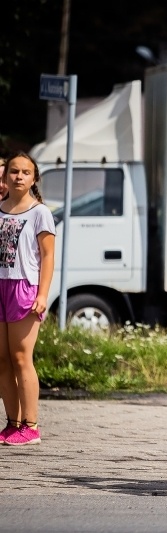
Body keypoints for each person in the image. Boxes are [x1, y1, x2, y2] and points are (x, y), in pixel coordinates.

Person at [0, 152, 56, 446]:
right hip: (0, 285)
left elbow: (48, 256)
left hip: (24, 287)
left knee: (21, 357)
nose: (18, 176)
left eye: (25, 172)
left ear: (34, 178)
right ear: (5, 175)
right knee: (2, 359)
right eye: (13, 171)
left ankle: (30, 426)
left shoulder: (40, 213)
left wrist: (43, 294)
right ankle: (12, 423)